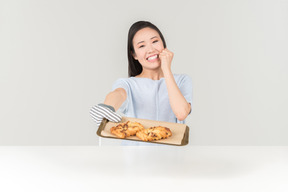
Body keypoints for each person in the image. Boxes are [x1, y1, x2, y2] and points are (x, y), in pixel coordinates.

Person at [90, 21, 193, 146]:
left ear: (163, 45)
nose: (150, 49)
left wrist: (166, 69)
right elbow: (118, 94)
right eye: (141, 46)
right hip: (135, 160)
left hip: (172, 158)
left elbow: (181, 113)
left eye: (155, 41)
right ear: (134, 54)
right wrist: (106, 107)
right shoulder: (128, 83)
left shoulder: (182, 80)